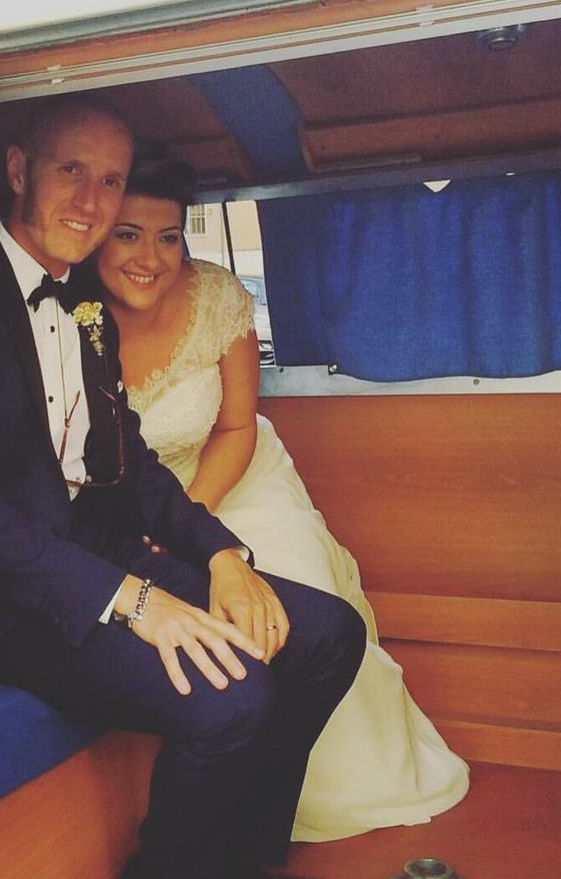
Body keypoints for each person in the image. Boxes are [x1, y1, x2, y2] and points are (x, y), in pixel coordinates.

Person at [0, 95, 366, 879]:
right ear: (19, 171)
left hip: (84, 547)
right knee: (232, 697)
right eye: (70, 171)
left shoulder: (85, 303)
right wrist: (131, 597)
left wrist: (223, 555)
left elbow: (128, 459)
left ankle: (241, 860)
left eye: (109, 180)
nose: (90, 201)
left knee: (329, 635)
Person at [94, 152, 470, 843]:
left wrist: (189, 522)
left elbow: (236, 428)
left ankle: (295, 798)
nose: (150, 257)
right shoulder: (71, 316)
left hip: (227, 473)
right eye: (127, 234)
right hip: (132, 500)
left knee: (297, 593)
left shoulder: (217, 299)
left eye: (168, 236)